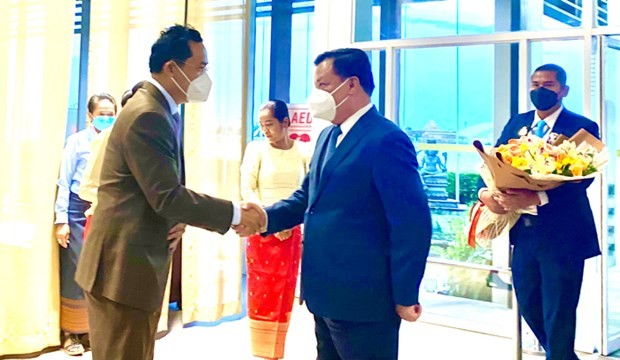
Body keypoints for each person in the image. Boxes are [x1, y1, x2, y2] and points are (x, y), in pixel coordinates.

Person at [75, 24, 264, 360]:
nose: (205, 77)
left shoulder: (161, 110)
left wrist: (174, 217)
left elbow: (156, 192)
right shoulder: (147, 114)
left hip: (132, 264)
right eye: (200, 67)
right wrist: (235, 213)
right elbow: (166, 196)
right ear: (172, 68)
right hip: (121, 269)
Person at [237, 48, 432, 360]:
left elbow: (412, 223)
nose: (316, 95)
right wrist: (263, 218)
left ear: (352, 85)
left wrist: (406, 293)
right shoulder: (328, 136)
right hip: (324, 292)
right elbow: (306, 199)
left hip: (364, 298)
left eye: (323, 86)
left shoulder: (386, 139)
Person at [479, 64, 600, 360]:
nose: (540, 90)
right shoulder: (518, 122)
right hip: (525, 234)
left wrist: (538, 195)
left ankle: (559, 355)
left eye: (548, 85)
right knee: (529, 302)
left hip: (564, 236)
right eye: (535, 84)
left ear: (563, 90)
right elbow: (494, 162)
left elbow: (583, 179)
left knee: (559, 310)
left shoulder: (582, 127)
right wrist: (487, 194)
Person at [240, 100, 308, 359]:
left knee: (284, 291)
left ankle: (277, 348)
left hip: (291, 231)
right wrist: (269, 220)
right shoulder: (255, 149)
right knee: (261, 290)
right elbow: (248, 188)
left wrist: (287, 222)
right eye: (261, 125)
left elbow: (306, 193)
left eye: (269, 124)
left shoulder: (302, 152)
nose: (265, 130)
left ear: (285, 123)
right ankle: (261, 350)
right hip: (261, 229)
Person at [54, 93, 117, 356]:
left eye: (110, 113)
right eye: (101, 113)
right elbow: (65, 182)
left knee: (100, 274)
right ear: (90, 115)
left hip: (105, 212)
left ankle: (91, 330)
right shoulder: (77, 141)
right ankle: (71, 333)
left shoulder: (116, 140)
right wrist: (61, 220)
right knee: (76, 271)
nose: (106, 117)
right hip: (78, 212)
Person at [79, 81, 145, 240]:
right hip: (106, 224)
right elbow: (86, 187)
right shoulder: (107, 137)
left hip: (137, 227)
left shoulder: (150, 140)